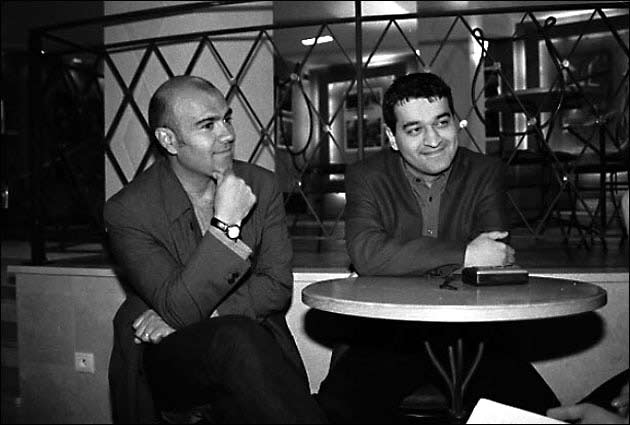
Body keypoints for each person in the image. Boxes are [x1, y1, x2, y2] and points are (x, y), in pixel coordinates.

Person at [315, 72, 558, 423]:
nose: (433, 140)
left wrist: (400, 259)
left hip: (468, 333)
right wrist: (465, 254)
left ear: (455, 123)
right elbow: (367, 254)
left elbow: (494, 258)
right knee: (335, 410)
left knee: (540, 413)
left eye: (441, 123)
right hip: (388, 333)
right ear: (392, 138)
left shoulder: (485, 171)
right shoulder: (366, 176)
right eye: (414, 129)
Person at [104, 75, 327, 424]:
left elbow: (277, 286)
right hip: (169, 357)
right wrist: (226, 226)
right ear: (168, 140)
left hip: (250, 345)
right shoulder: (128, 210)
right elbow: (178, 307)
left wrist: (202, 313)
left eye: (226, 118)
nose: (227, 134)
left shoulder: (261, 185)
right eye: (208, 125)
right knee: (236, 337)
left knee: (239, 340)